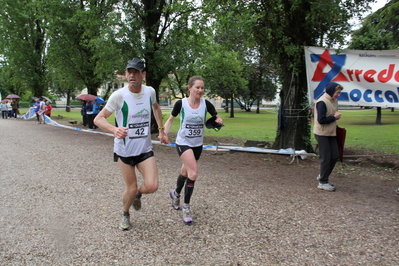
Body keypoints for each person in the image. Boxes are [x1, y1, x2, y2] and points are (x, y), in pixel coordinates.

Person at [94, 58, 168, 230]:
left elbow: (156, 108)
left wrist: (161, 129)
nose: (132, 75)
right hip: (125, 151)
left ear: (143, 74)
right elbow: (98, 119)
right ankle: (125, 213)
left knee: (152, 186)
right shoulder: (119, 96)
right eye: (129, 72)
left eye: (136, 72)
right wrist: (114, 130)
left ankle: (138, 196)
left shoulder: (150, 92)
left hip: (144, 149)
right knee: (131, 188)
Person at [164, 76, 223, 223]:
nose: (200, 90)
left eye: (202, 88)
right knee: (193, 172)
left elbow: (217, 117)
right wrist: (163, 134)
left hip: (197, 144)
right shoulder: (181, 104)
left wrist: (219, 120)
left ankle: (175, 194)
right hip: (183, 142)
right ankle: (186, 207)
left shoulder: (206, 104)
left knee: (185, 172)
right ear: (189, 88)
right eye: (197, 87)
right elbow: (170, 120)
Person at [313, 82, 343, 191]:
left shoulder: (333, 101)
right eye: (337, 93)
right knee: (326, 157)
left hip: (331, 132)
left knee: (335, 155)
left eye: (339, 93)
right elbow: (321, 120)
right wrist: (334, 117)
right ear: (331, 91)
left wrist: (334, 117)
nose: (338, 95)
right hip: (322, 133)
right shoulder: (322, 102)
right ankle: (323, 182)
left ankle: (323, 175)